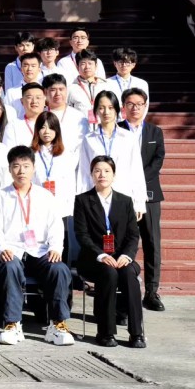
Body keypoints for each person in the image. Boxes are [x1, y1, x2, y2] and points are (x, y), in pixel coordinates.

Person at [0, 146, 74, 347]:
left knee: (59, 269)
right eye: (16, 166)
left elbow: (56, 226)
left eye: (26, 166)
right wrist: (1, 248)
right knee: (10, 266)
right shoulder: (1, 196)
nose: (21, 171)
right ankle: (12, 324)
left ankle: (57, 324)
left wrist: (55, 248)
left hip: (40, 251)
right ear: (10, 169)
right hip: (12, 251)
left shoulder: (45, 196)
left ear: (34, 168)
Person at [74, 155, 146, 348]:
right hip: (94, 259)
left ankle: (137, 333)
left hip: (121, 258)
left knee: (129, 274)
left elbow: (133, 235)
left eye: (107, 171)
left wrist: (127, 256)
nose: (102, 175)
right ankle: (106, 332)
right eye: (97, 171)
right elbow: (82, 235)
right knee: (109, 272)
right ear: (91, 174)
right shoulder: (82, 200)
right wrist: (101, 255)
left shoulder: (125, 201)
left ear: (114, 175)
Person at [119, 88, 166, 311]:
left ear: (145, 106)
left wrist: (137, 180)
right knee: (121, 242)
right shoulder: (117, 130)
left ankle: (152, 292)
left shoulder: (155, 132)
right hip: (121, 194)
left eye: (139, 104)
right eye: (130, 103)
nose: (135, 108)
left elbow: (157, 161)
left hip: (149, 194)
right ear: (123, 107)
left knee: (152, 242)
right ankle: (121, 294)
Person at [77, 91, 147, 216]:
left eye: (110, 108)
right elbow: (84, 174)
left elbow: (136, 171)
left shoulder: (129, 138)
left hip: (123, 195)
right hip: (96, 199)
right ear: (96, 111)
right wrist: (82, 203)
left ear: (117, 110)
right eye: (101, 108)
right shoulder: (89, 139)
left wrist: (139, 202)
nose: (106, 112)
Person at [30, 112, 77, 218]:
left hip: (61, 208)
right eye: (43, 127)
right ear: (37, 130)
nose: (47, 132)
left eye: (51, 128)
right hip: (37, 207)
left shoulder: (65, 154)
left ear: (57, 130)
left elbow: (70, 183)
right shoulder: (31, 154)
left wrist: (69, 208)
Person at [43, 74, 89, 159]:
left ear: (66, 91)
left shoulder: (78, 116)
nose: (58, 94)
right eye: (53, 90)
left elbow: (82, 145)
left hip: (72, 161)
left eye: (61, 89)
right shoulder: (40, 115)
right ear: (45, 92)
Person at [68, 49, 110, 121]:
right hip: (80, 126)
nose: (87, 67)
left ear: (96, 66)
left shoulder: (106, 86)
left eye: (90, 63)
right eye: (83, 63)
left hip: (103, 125)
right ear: (77, 67)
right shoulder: (70, 89)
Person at [2, 83, 46, 149]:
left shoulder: (53, 122)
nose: (34, 101)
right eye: (29, 97)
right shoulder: (13, 125)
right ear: (22, 101)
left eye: (38, 97)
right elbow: (9, 151)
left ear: (45, 101)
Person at [109, 48, 150, 118]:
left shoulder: (141, 83)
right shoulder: (106, 83)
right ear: (115, 63)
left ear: (133, 65)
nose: (124, 65)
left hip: (135, 120)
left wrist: (137, 120)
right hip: (113, 121)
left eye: (127, 62)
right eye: (121, 62)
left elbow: (145, 105)